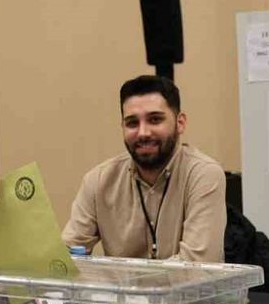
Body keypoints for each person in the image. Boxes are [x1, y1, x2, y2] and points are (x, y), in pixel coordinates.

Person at [63, 75, 226, 262]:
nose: (143, 133)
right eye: (132, 123)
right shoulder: (98, 181)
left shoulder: (203, 175)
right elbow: (66, 255)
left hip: (185, 284)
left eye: (155, 120)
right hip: (124, 284)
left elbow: (196, 266)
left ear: (180, 123)